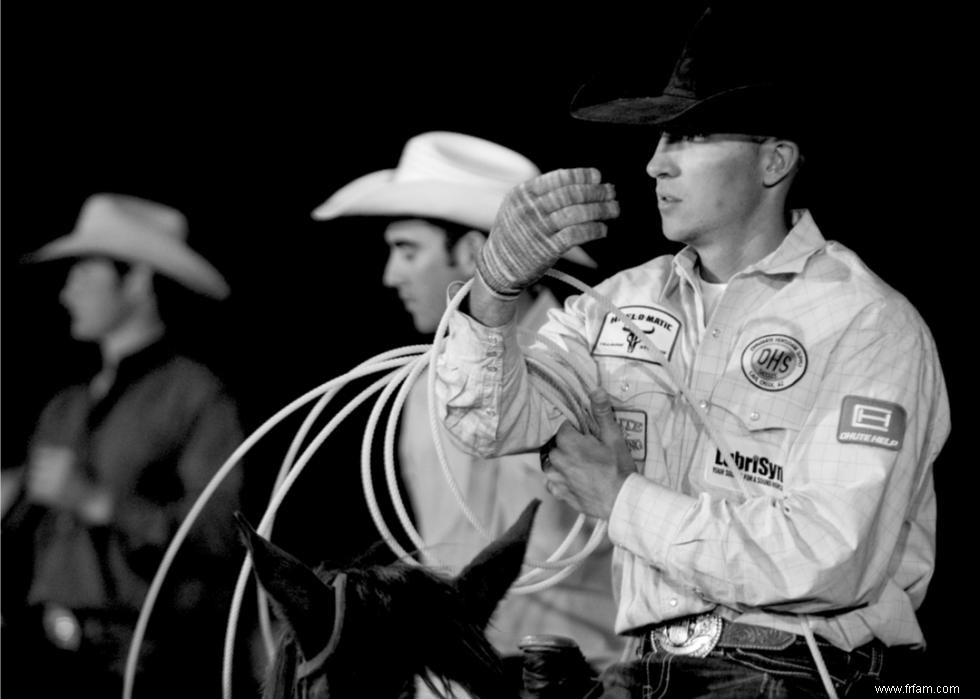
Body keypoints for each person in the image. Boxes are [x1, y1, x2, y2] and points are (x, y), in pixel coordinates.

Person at [433, 6, 950, 697]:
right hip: (648, 670)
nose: (655, 163)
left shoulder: (867, 324)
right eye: (659, 138)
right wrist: (494, 291)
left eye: (692, 136)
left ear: (775, 161)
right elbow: (488, 423)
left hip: (807, 674)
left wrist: (623, 500)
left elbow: (830, 556)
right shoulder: (617, 305)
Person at [311, 131, 624, 688]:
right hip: (445, 679)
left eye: (408, 249)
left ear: (475, 251)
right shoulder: (418, 383)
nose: (392, 274)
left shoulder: (594, 366)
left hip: (570, 676)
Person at [1, 194, 245, 698]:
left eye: (84, 273)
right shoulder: (65, 406)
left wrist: (99, 502)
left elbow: (222, 531)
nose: (68, 291)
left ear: (135, 279)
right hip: (42, 657)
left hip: (143, 665)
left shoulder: (196, 396)